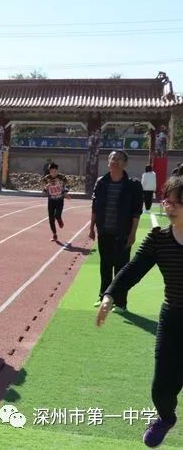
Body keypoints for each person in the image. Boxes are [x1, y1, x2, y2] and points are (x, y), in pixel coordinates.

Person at [96, 170, 183, 448]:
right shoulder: (159, 238)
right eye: (166, 201)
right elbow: (133, 269)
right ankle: (166, 418)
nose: (168, 207)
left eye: (176, 203)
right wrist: (110, 294)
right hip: (173, 318)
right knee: (162, 389)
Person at [89, 150, 143, 312]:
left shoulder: (133, 184)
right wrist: (92, 228)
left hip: (123, 233)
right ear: (108, 162)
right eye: (112, 158)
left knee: (121, 268)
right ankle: (103, 296)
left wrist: (133, 233)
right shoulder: (101, 182)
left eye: (119, 159)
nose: (114, 161)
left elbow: (136, 211)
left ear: (125, 164)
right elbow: (95, 206)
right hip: (104, 231)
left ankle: (120, 302)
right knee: (105, 265)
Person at [42, 162, 70, 242]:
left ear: (57, 171)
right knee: (51, 219)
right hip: (51, 200)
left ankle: (60, 220)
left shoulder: (62, 178)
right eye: (51, 171)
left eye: (55, 171)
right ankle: (54, 234)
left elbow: (67, 185)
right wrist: (45, 188)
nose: (53, 173)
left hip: (59, 200)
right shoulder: (46, 178)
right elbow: (44, 190)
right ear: (49, 171)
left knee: (57, 215)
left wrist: (65, 192)